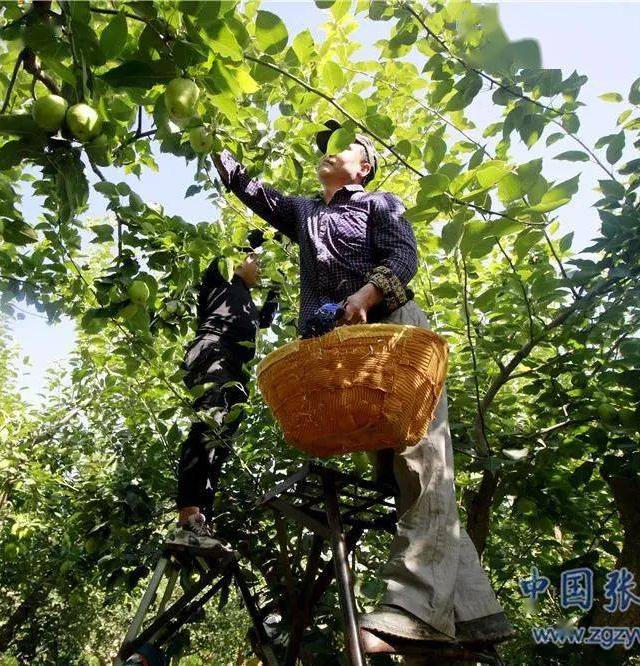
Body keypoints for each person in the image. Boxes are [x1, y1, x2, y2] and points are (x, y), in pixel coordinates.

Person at [209, 121, 514, 653]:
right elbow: (250, 188)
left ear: (364, 166)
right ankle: (471, 616)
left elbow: (402, 260)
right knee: (399, 478)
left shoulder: (380, 204)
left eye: (341, 146)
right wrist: (208, 136)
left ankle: (413, 608)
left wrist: (366, 296)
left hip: (395, 337)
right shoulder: (304, 212)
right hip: (347, 357)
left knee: (421, 460)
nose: (327, 152)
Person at [165, 231, 279, 555]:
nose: (259, 266)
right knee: (208, 425)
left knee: (220, 445)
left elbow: (265, 319)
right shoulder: (221, 279)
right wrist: (270, 235)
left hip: (236, 371)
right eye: (255, 259)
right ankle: (188, 516)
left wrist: (274, 291)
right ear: (239, 258)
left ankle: (203, 522)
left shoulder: (245, 301)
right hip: (212, 352)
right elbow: (232, 245)